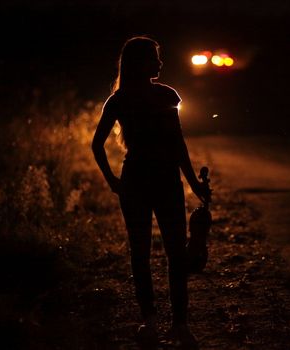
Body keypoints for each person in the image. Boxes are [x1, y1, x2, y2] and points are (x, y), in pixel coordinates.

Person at [91, 36, 205, 347]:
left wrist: (114, 181)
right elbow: (177, 144)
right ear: (139, 62)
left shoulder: (119, 99)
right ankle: (178, 325)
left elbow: (97, 145)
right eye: (154, 58)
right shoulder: (165, 95)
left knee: (140, 253)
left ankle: (152, 322)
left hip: (135, 181)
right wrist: (193, 184)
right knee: (175, 254)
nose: (160, 63)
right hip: (165, 180)